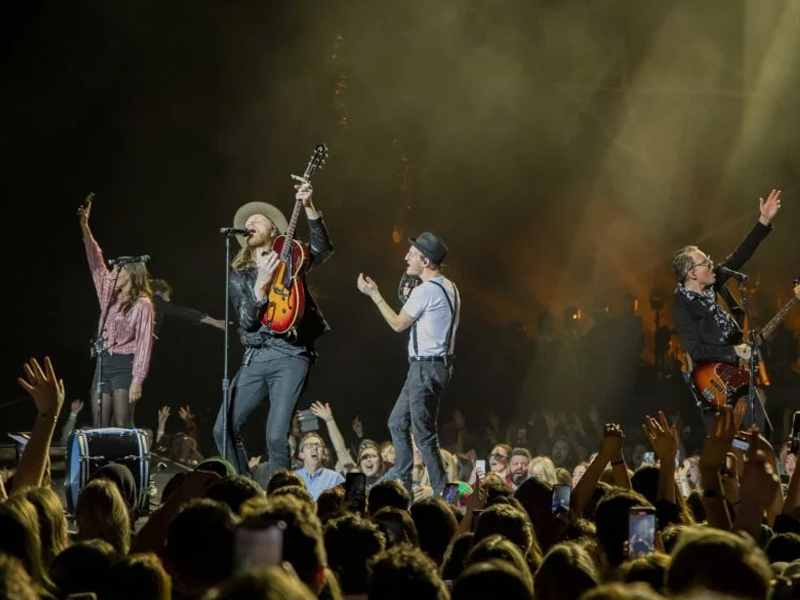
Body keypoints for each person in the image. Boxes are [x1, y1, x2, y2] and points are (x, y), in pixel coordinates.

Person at [213, 182, 334, 476]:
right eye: (247, 223)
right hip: (256, 355)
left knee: (276, 436)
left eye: (258, 221)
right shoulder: (239, 274)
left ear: (273, 232)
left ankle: (283, 500)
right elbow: (245, 321)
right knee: (222, 429)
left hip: (291, 354)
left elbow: (323, 249)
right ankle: (244, 489)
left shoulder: (291, 259)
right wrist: (259, 285)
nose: (249, 224)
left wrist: (308, 206)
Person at [357, 232, 460, 497]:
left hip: (425, 367)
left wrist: (374, 294)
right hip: (433, 366)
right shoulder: (449, 286)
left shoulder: (426, 290)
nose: (406, 257)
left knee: (424, 434)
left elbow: (397, 323)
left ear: (425, 261)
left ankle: (443, 494)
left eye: (412, 254)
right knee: (396, 422)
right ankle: (402, 477)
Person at [671, 188, 781, 430]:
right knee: (731, 439)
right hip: (714, 381)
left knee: (761, 431)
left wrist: (763, 221)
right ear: (692, 273)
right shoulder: (682, 306)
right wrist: (734, 352)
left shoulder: (713, 283)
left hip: (736, 370)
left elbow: (738, 256)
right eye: (704, 262)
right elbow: (697, 350)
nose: (711, 264)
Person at [79, 198, 155, 428]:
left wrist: (137, 380)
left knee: (122, 421)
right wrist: (84, 225)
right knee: (99, 421)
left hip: (125, 364)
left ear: (130, 274)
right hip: (103, 362)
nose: (112, 273)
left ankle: (125, 462)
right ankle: (103, 463)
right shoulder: (108, 295)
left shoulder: (143, 304)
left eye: (117, 270)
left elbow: (144, 344)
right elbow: (95, 261)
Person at [149, 278, 225, 336]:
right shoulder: (153, 300)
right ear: (158, 292)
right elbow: (182, 312)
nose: (168, 300)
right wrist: (214, 322)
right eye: (167, 295)